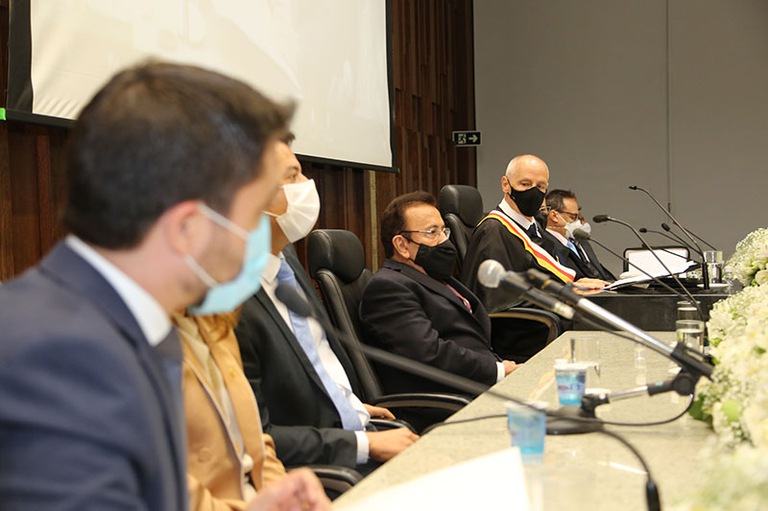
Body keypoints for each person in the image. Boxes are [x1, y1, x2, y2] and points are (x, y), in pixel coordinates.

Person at [0, 61, 330, 511]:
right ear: (187, 228)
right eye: (253, 214)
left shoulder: (124, 324)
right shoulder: (60, 355)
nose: (258, 236)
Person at [236, 138, 418, 473]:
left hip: (354, 427)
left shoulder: (286, 260)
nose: (307, 185)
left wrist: (347, 403)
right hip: (320, 472)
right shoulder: (230, 304)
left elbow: (313, 363)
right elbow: (256, 438)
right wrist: (364, 444)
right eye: (292, 176)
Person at [359, 191, 517, 396]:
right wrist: (499, 371)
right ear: (402, 245)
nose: (443, 240)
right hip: (451, 399)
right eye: (432, 232)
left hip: (484, 383)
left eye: (443, 230)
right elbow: (429, 352)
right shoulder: (388, 288)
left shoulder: (434, 276)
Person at [461, 154, 607, 313]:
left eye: (540, 186)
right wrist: (564, 295)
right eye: (525, 184)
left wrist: (575, 284)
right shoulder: (494, 231)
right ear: (505, 184)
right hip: (524, 324)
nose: (533, 192)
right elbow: (499, 299)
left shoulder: (536, 228)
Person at [176, 311, 288, 510]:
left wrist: (286, 498)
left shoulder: (214, 322)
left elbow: (255, 443)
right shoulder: (138, 347)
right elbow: (164, 485)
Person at [544, 189, 615, 282]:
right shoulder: (546, 245)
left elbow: (599, 272)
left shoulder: (579, 242)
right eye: (573, 217)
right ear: (554, 216)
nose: (577, 222)